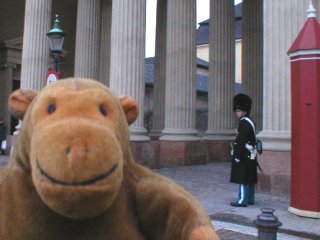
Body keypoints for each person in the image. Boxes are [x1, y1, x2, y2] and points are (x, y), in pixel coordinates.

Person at [229, 93, 257, 207]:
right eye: (236, 110)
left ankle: (242, 200)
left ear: (245, 111)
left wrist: (236, 155)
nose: (237, 112)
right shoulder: (250, 121)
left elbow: (241, 140)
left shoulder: (244, 122)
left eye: (239, 110)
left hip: (244, 154)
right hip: (250, 154)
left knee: (243, 178)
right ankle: (250, 198)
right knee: (250, 177)